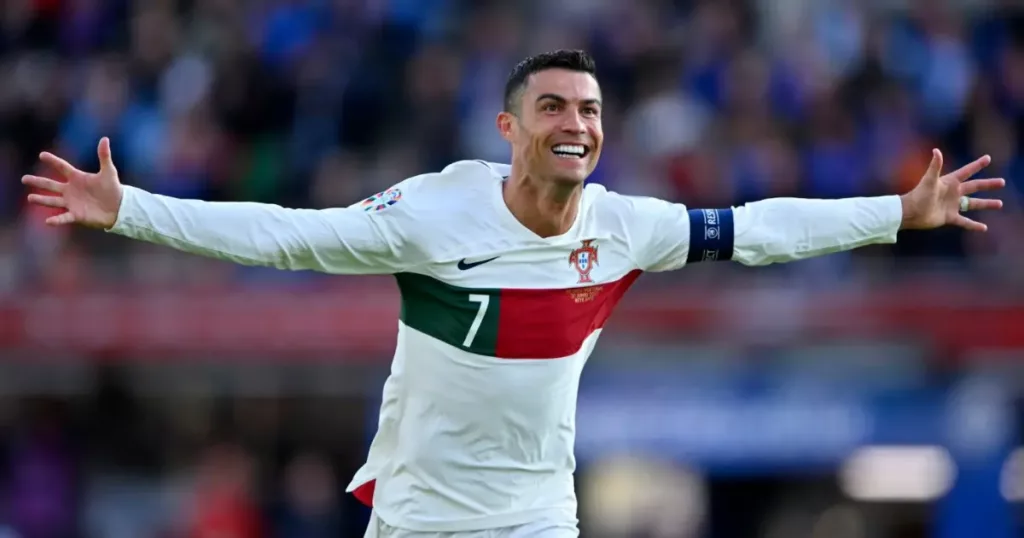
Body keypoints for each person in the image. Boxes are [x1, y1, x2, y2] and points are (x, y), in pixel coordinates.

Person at [21, 50, 1003, 537]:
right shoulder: (433, 214)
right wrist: (132, 209)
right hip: (414, 514)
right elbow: (286, 236)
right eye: (553, 107)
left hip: (536, 516)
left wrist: (893, 213)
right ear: (509, 126)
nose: (575, 122)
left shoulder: (624, 227)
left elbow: (757, 229)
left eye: (589, 109)